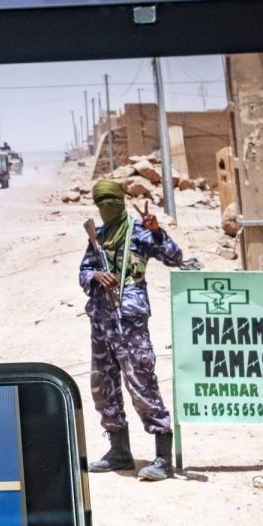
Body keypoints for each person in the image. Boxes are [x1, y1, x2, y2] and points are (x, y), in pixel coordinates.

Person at [78, 178, 183, 481]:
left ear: (120, 201)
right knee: (103, 386)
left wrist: (156, 231)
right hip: (101, 321)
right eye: (100, 203)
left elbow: (174, 257)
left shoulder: (138, 231)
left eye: (109, 201)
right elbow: (83, 272)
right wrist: (96, 275)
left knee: (142, 383)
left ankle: (163, 458)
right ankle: (119, 452)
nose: (104, 208)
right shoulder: (97, 235)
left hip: (130, 322)